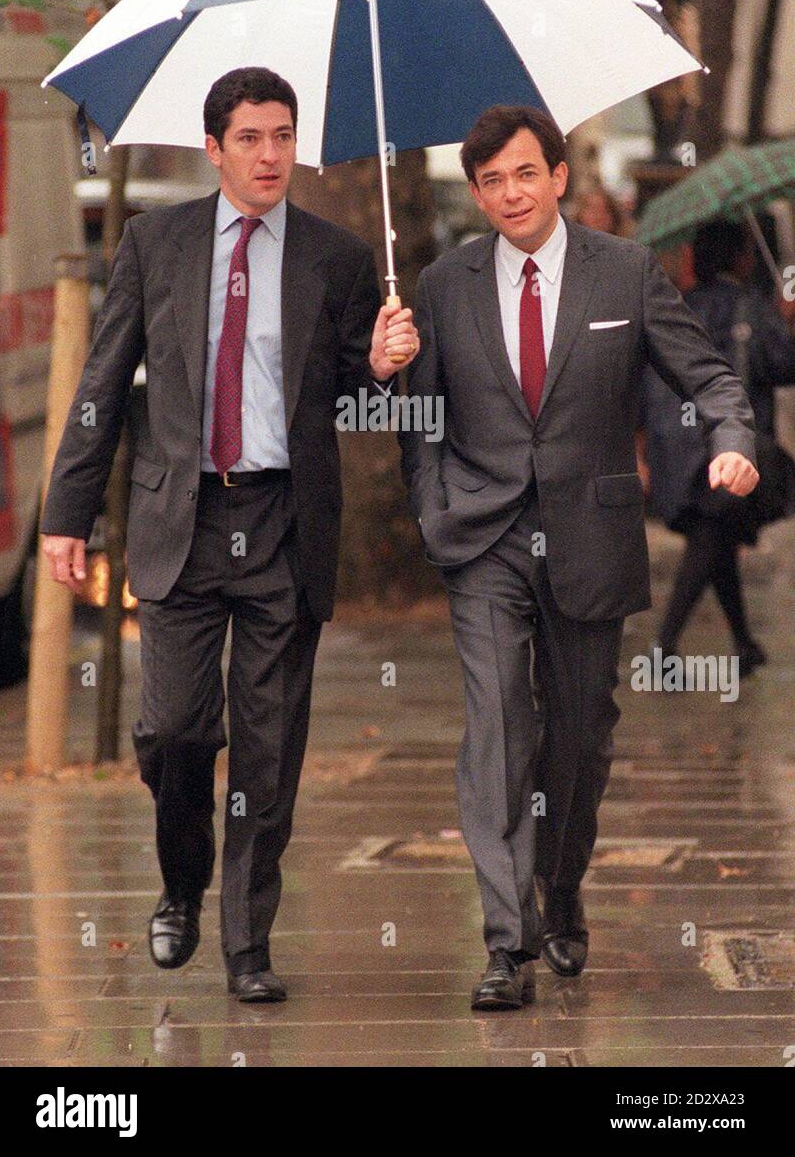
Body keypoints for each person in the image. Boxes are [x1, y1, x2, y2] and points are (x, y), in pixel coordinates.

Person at [40, 67, 419, 1003]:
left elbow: (345, 378)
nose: (269, 155)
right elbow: (100, 386)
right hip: (182, 520)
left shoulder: (336, 256)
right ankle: (180, 883)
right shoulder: (154, 243)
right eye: (250, 138)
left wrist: (377, 363)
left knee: (267, 745)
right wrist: (66, 514)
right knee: (175, 729)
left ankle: (247, 943)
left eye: (283, 136)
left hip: (283, 521)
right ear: (213, 149)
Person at [399, 105, 758, 1012]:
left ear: (558, 176)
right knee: (497, 728)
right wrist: (427, 487)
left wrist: (729, 436)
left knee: (579, 737)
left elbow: (708, 374)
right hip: (481, 538)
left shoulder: (625, 272)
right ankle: (504, 941)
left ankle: (561, 891)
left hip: (591, 537)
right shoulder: (441, 284)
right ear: (476, 194)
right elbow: (418, 415)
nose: (510, 193)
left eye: (525, 173)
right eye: (490, 181)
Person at [641, 218, 795, 676]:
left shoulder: (679, 306)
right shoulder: (750, 308)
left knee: (717, 538)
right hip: (726, 447)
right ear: (741, 257)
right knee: (711, 536)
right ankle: (663, 648)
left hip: (675, 445)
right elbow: (784, 364)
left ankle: (743, 643)